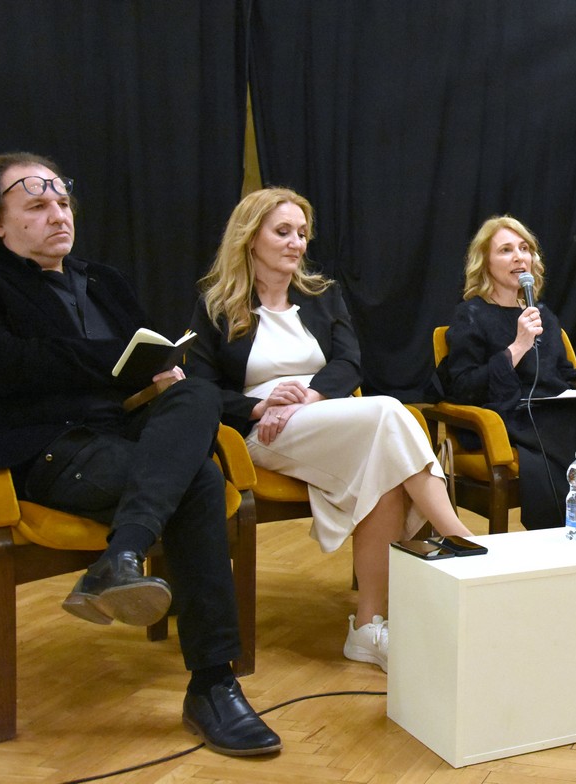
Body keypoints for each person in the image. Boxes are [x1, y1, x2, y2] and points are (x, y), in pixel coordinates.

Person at [0, 153, 281, 756]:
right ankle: (213, 684)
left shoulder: (104, 280)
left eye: (62, 203)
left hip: (128, 433)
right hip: (48, 447)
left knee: (196, 391)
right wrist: (113, 362)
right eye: (37, 205)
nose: (59, 215)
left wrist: (161, 371)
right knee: (199, 484)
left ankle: (123, 554)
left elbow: (147, 355)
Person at [187, 187, 475, 670]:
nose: (296, 243)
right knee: (389, 412)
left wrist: (309, 397)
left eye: (302, 233)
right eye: (283, 232)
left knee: (384, 467)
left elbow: (348, 362)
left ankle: (367, 629)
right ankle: (456, 534)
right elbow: (200, 390)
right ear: (250, 237)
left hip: (326, 416)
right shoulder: (217, 306)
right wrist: (260, 407)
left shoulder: (322, 295)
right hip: (264, 432)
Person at [441, 215, 576, 529]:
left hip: (555, 412)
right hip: (512, 418)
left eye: (524, 248)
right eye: (505, 250)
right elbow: (464, 386)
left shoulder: (542, 313)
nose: (519, 257)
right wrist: (518, 346)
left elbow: (559, 372)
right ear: (485, 262)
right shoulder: (471, 314)